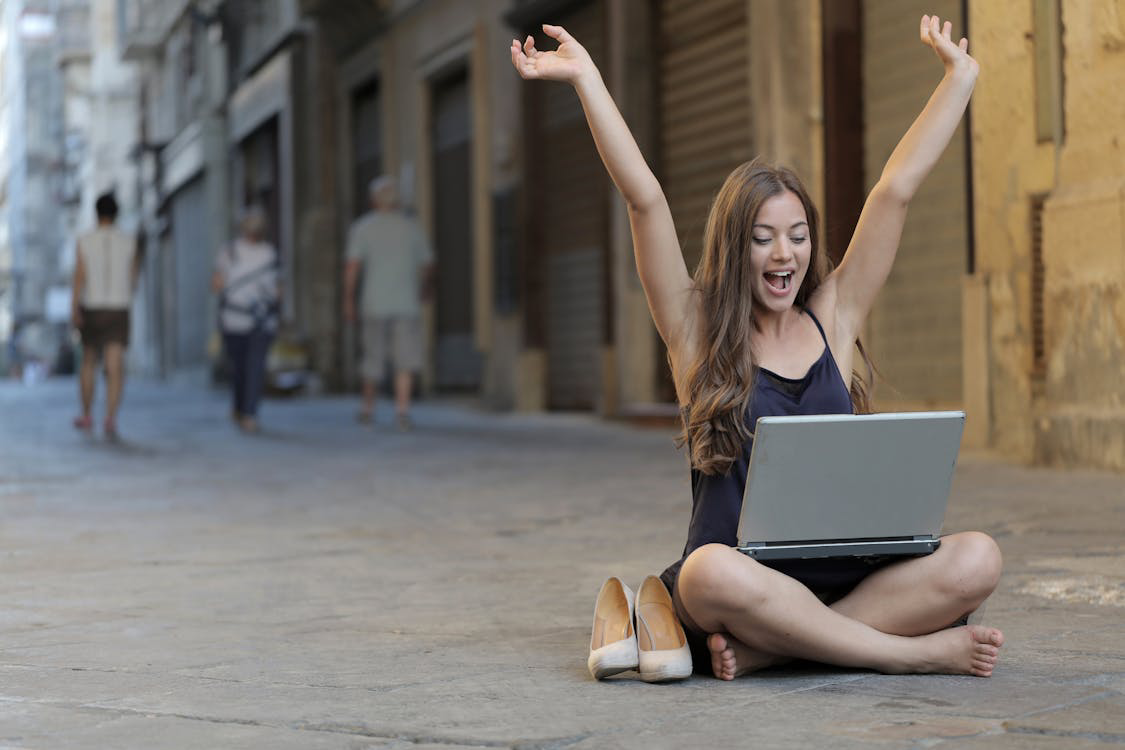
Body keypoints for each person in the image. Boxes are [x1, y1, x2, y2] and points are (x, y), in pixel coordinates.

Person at [512, 15, 1005, 680]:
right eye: (763, 237)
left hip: (847, 577)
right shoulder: (697, 334)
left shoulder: (834, 319)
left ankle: (779, 648)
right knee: (708, 571)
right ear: (734, 246)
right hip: (743, 584)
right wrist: (585, 78)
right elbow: (644, 199)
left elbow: (893, 190)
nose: (784, 254)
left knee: (978, 557)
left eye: (798, 234)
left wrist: (959, 80)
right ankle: (906, 653)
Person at [343, 176, 434, 431]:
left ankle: (367, 409)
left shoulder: (363, 228)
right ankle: (402, 411)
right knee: (405, 358)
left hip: (374, 302)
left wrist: (348, 300)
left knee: (373, 356)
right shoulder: (412, 227)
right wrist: (425, 289)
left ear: (373, 200)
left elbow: (352, 267)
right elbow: (427, 266)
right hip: (406, 302)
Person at [71, 191, 141, 439]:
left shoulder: (85, 239)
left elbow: (79, 276)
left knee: (89, 361)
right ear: (116, 213)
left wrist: (73, 307)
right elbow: (134, 277)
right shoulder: (129, 240)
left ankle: (87, 413)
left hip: (93, 306)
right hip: (119, 306)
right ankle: (110, 417)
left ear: (96, 212)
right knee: (115, 364)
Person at [212, 205, 281, 434]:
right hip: (262, 319)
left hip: (233, 318)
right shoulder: (271, 253)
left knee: (239, 367)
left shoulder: (229, 251)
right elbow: (279, 290)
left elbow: (216, 285)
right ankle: (249, 413)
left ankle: (240, 409)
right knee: (255, 367)